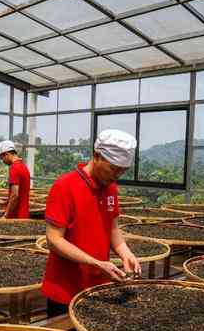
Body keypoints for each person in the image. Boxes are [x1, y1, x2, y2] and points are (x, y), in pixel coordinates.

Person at [42, 129, 142, 317]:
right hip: (66, 287)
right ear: (97, 156)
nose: (117, 175)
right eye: (114, 168)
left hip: (98, 284)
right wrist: (96, 263)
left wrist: (125, 253)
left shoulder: (111, 187)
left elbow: (112, 228)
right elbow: (54, 240)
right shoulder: (65, 186)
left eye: (123, 171)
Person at [0, 140, 31, 219]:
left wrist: (6, 216)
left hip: (16, 216)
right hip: (24, 214)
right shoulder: (23, 166)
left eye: (2, 158)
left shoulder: (14, 168)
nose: (3, 161)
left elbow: (15, 195)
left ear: (7, 154)